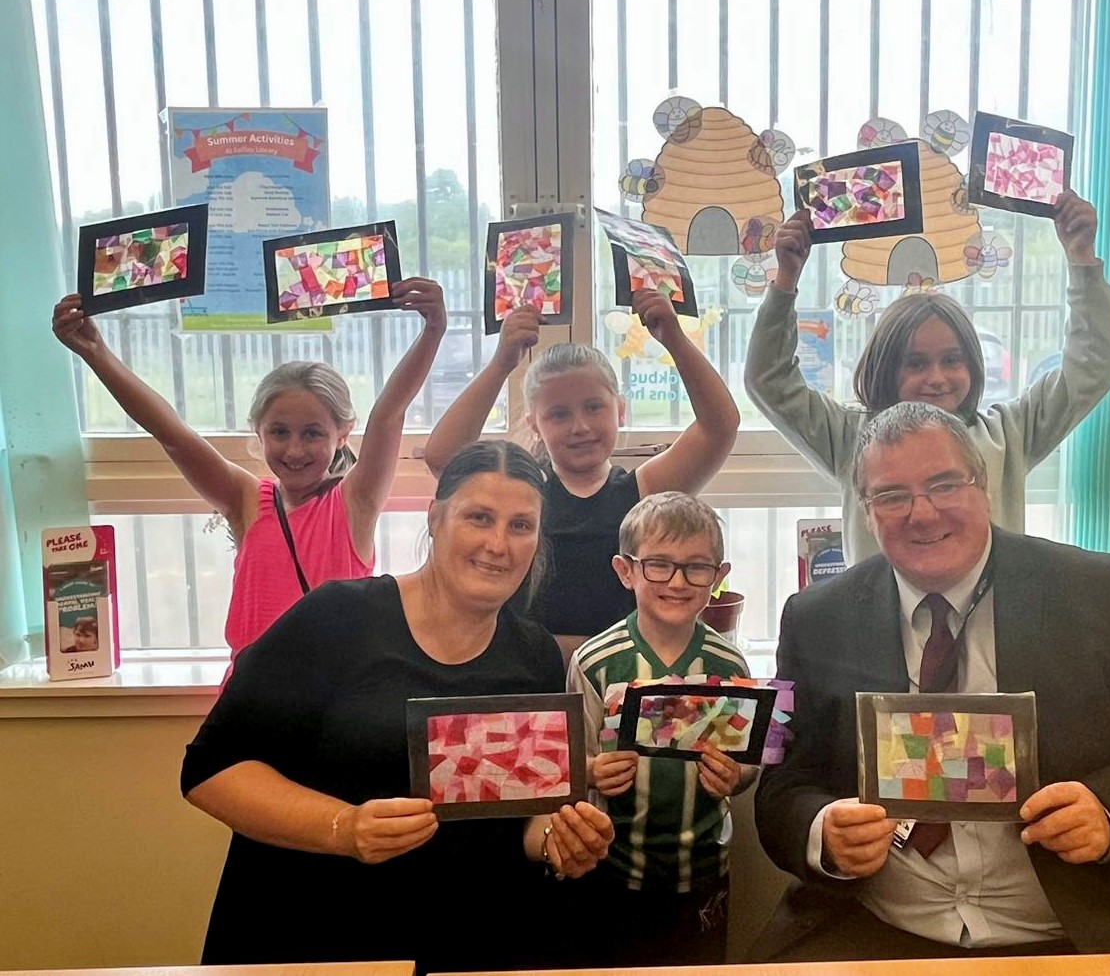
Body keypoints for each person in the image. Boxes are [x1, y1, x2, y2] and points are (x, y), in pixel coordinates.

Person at [753, 402, 1110, 960]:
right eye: (891, 495)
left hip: (1070, 933)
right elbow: (785, 783)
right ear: (866, 511)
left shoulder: (1107, 595)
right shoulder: (819, 618)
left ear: (983, 486)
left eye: (943, 484)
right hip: (874, 930)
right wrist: (822, 832)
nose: (922, 512)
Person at [180, 441, 614, 973]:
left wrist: (557, 840)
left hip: (469, 945)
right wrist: (344, 827)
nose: (498, 544)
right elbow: (211, 771)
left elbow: (522, 812)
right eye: (479, 517)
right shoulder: (337, 618)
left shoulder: (534, 654)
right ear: (435, 518)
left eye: (520, 526)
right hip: (314, 940)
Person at [53, 278, 447, 656]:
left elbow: (389, 415)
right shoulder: (245, 498)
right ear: (257, 431)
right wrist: (96, 354)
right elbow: (170, 432)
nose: (294, 449)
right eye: (279, 431)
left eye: (312, 434)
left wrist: (432, 333)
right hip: (249, 701)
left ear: (343, 434)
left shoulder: (353, 503)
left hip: (332, 702)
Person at [745, 191, 1110, 564]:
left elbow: (1094, 362)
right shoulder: (851, 438)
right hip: (883, 623)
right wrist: (786, 280)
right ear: (885, 369)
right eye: (916, 363)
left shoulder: (1009, 435)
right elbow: (769, 380)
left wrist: (1082, 260)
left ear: (973, 366)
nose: (937, 378)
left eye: (952, 360)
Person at [424, 291, 740, 662]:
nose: (580, 427)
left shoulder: (645, 492)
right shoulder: (524, 492)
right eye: (558, 414)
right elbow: (444, 458)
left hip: (619, 678)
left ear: (619, 410)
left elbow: (720, 426)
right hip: (530, 675)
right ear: (535, 425)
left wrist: (672, 337)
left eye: (593, 407)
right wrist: (501, 364)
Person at [567, 491, 757, 966]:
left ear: (718, 577)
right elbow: (571, 763)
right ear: (625, 570)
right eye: (659, 565)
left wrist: (738, 777)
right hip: (612, 872)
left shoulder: (729, 663)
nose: (677, 581)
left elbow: (748, 759)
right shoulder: (595, 662)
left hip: (704, 872)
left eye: (696, 567)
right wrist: (592, 772)